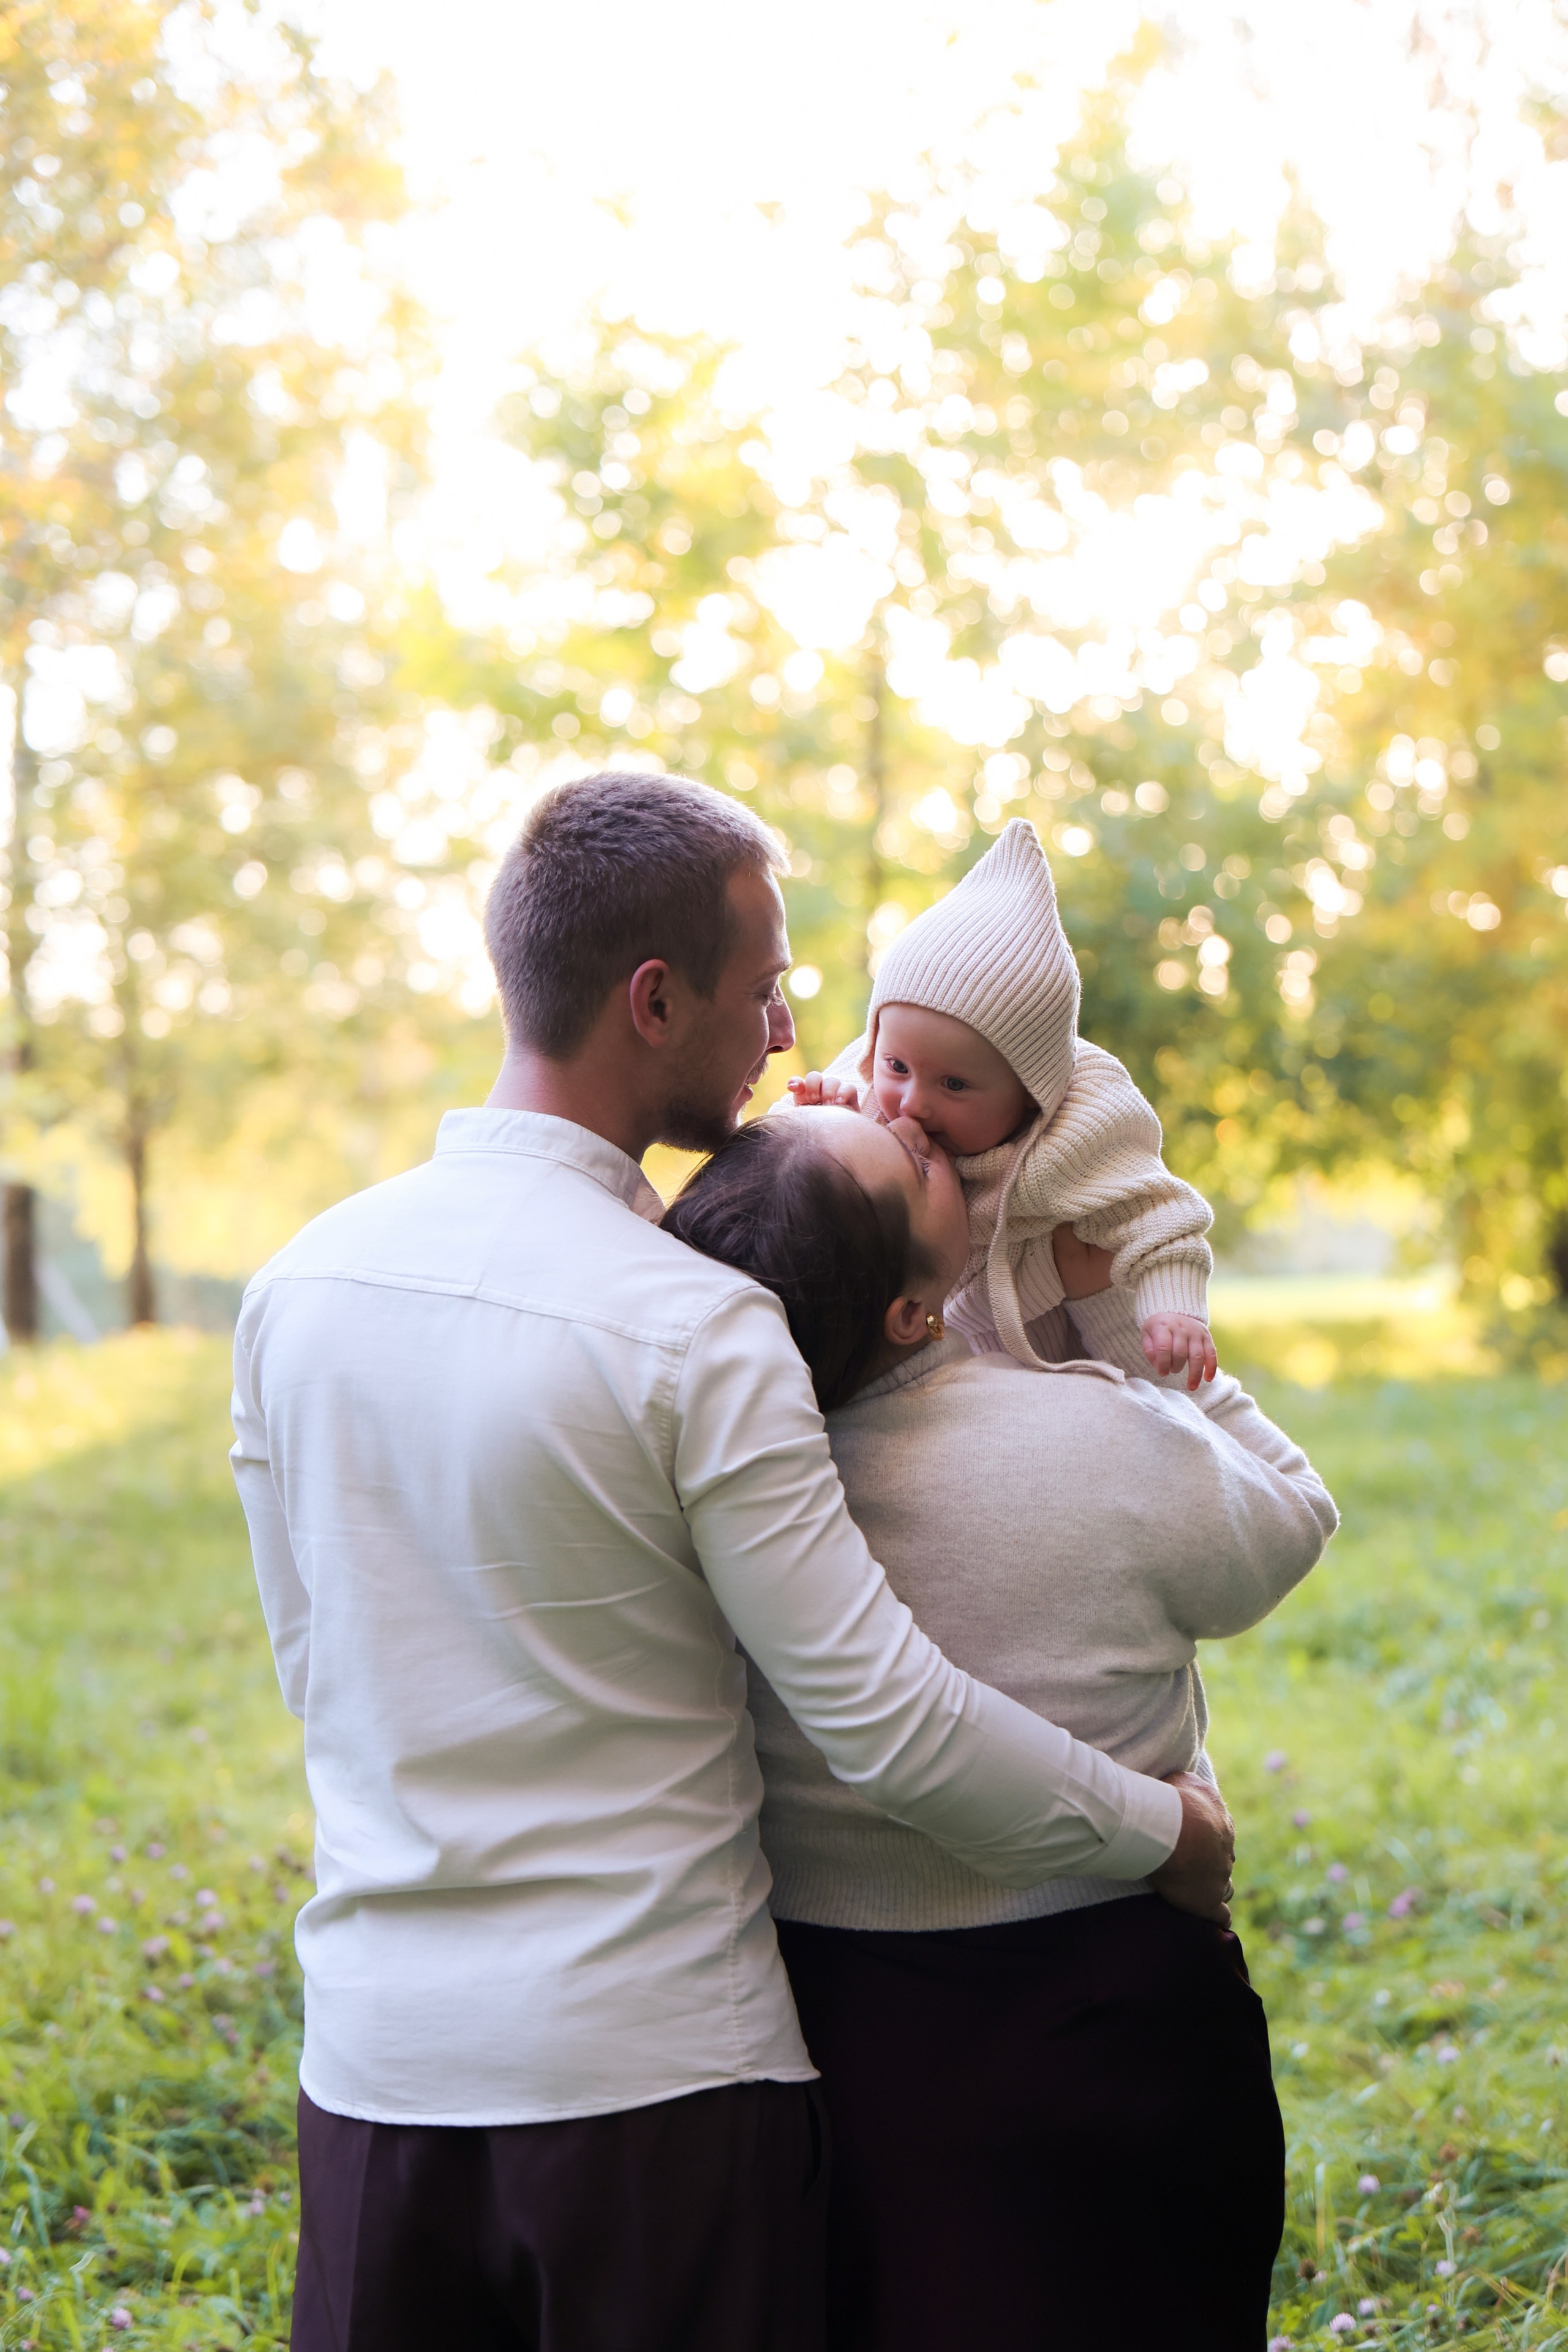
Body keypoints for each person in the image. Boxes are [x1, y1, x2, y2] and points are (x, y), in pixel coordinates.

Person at [228, 770, 1234, 2352]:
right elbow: (886, 1719)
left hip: (370, 2085)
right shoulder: (701, 1328)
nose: (791, 1043)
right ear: (652, 999)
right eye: (768, 992)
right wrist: (1159, 1829)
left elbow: (320, 1676)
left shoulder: (295, 1289)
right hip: (655, 2099)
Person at [664, 1102, 1338, 2352]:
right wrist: (1128, 1338)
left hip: (829, 2024)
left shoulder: (704, 1501)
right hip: (1099, 2019)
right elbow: (1290, 1519)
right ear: (908, 1315)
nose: (900, 1109)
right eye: (906, 1155)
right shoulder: (1089, 1437)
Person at [790, 815, 1219, 1385]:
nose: (911, 1104)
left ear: (1029, 1094)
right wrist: (820, 1120)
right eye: (896, 1066)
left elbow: (1157, 1213)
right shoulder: (871, 1103)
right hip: (916, 1352)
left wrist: (1173, 1308)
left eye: (955, 1085)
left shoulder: (1073, 1136)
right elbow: (788, 1186)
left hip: (1042, 1356)